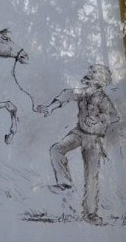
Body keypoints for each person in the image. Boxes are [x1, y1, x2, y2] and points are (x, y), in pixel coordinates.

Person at [37, 64, 120, 225]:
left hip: (94, 139)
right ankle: (65, 183)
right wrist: (50, 108)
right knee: (56, 149)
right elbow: (67, 94)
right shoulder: (82, 93)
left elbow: (114, 117)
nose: (86, 86)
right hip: (79, 132)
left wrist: (99, 119)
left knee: (91, 177)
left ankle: (91, 214)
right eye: (86, 82)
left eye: (91, 83)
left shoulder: (103, 99)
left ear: (98, 85)